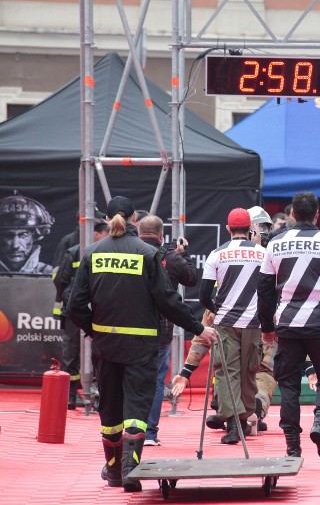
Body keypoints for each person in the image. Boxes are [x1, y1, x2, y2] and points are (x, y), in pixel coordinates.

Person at [65, 195, 216, 492]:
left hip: (106, 346)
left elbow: (74, 306)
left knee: (109, 411)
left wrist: (95, 331)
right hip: (143, 347)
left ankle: (113, 472)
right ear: (134, 219)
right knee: (137, 407)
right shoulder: (148, 254)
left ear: (108, 221)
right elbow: (167, 300)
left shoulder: (93, 253)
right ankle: (131, 468)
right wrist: (198, 327)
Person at [256, 191, 320, 462]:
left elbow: (264, 289)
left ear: (292, 214)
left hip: (287, 324)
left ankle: (292, 446)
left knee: (288, 383)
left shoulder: (275, 243)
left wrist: (267, 326)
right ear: (317, 213)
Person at [199, 208, 266, 444]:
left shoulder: (216, 254)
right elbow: (270, 291)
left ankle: (233, 425)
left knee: (228, 373)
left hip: (226, 321)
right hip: (254, 322)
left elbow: (204, 295)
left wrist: (218, 309)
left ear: (228, 229)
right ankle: (246, 417)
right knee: (250, 372)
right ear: (250, 230)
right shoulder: (262, 253)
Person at [137, 215, 200, 447]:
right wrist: (184, 254)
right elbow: (192, 279)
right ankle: (150, 433)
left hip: (131, 326)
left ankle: (130, 430)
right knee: (155, 380)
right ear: (162, 235)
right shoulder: (171, 257)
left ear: (138, 231)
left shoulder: (132, 253)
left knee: (131, 378)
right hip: (161, 329)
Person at [54, 220, 109, 409]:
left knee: (100, 353)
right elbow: (60, 279)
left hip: (98, 311)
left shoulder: (105, 253)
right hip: (75, 312)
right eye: (105, 233)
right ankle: (70, 396)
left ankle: (98, 393)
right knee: (71, 353)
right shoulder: (75, 251)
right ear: (96, 234)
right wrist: (71, 301)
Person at [0, 192, 55, 274]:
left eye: (23, 235)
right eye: (8, 236)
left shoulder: (49, 273)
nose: (15, 245)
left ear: (35, 236)